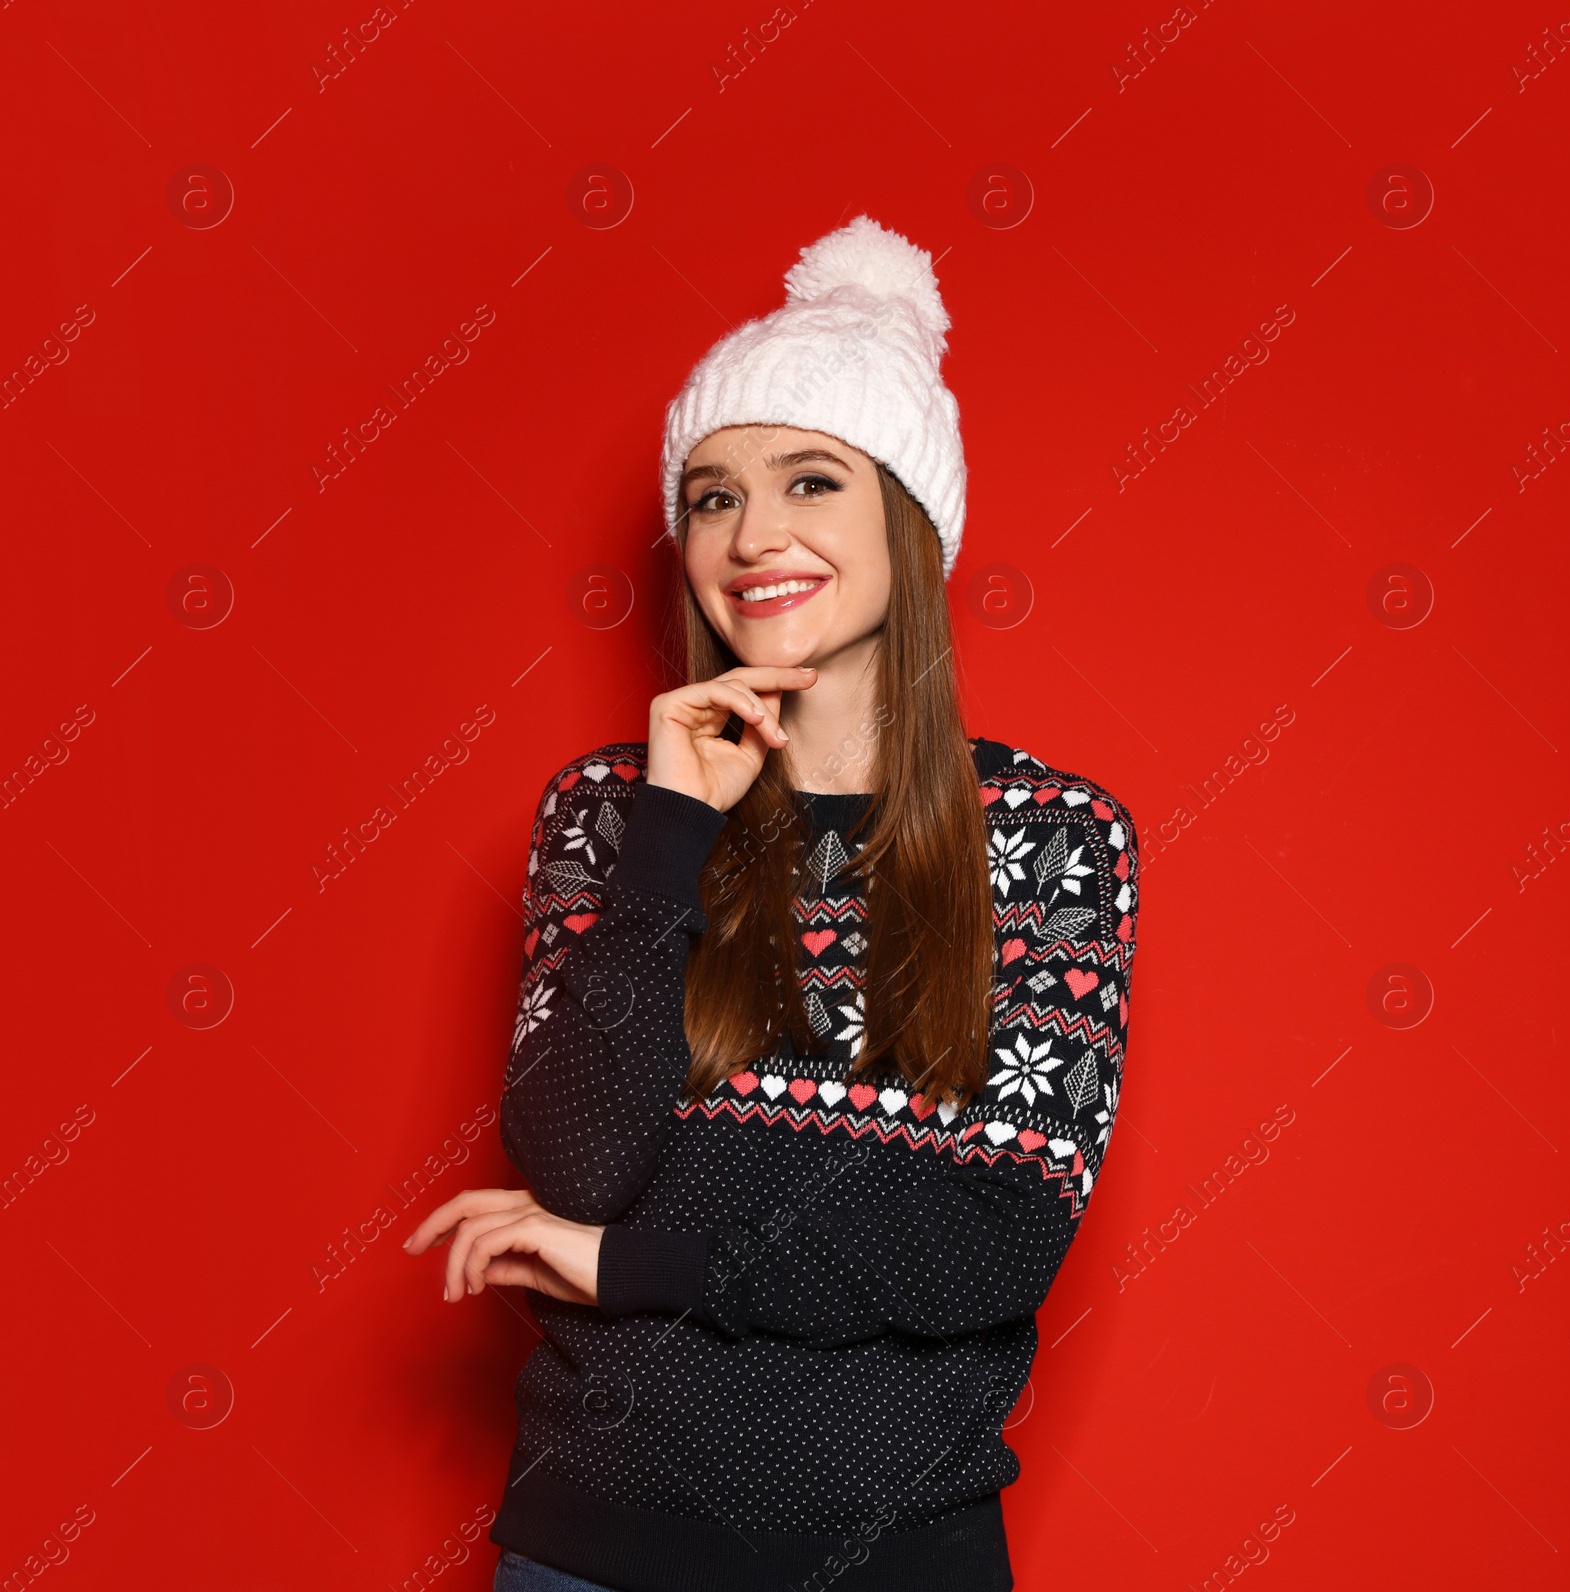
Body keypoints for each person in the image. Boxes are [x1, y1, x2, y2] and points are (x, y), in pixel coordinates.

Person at [404, 214, 1142, 1592]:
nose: (754, 535)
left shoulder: (1050, 841)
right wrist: (677, 830)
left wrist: (628, 1264)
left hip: (891, 1558)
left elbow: (983, 1240)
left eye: (811, 482)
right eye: (713, 495)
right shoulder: (612, 815)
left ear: (908, 522)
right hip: (588, 1552)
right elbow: (574, 1159)